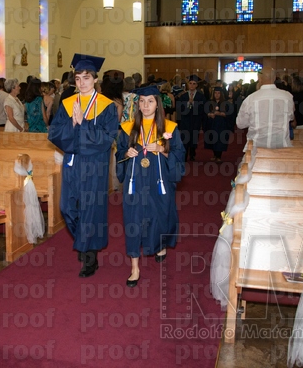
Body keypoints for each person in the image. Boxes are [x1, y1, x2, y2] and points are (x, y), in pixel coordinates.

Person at [48, 54, 118, 278]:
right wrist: (72, 123)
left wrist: (84, 124)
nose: (81, 83)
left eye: (86, 78)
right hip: (72, 163)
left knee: (90, 211)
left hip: (94, 166)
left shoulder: (107, 106)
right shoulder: (68, 104)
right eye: (77, 79)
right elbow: (55, 133)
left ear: (95, 79)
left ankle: (90, 256)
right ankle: (84, 240)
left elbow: (108, 138)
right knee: (66, 208)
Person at [116, 85, 185, 287]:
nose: (146, 105)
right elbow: (119, 153)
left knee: (160, 215)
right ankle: (134, 267)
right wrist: (125, 154)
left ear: (158, 104)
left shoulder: (169, 128)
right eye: (142, 101)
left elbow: (179, 156)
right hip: (135, 181)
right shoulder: (128, 127)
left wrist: (163, 150)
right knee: (133, 220)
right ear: (138, 104)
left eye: (150, 101)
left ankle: (160, 244)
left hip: (158, 180)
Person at [236, 66, 295, 148]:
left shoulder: (250, 99)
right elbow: (291, 117)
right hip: (282, 147)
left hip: (256, 148)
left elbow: (240, 124)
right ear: (274, 78)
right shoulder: (287, 97)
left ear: (259, 78)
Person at [176, 77, 206, 161]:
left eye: (194, 84)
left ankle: (192, 154)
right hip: (185, 120)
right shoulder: (183, 96)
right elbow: (179, 108)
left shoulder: (200, 96)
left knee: (194, 137)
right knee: (185, 137)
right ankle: (184, 155)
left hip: (195, 120)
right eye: (190, 83)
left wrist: (194, 104)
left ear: (196, 85)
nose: (192, 85)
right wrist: (188, 103)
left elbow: (203, 108)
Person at [204, 87, 231, 162]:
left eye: (218, 93)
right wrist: (209, 114)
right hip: (211, 124)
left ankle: (219, 156)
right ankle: (215, 154)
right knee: (212, 139)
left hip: (221, 125)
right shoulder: (209, 102)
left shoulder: (226, 103)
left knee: (220, 140)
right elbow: (204, 113)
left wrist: (220, 113)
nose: (217, 95)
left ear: (221, 94)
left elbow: (230, 114)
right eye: (215, 93)